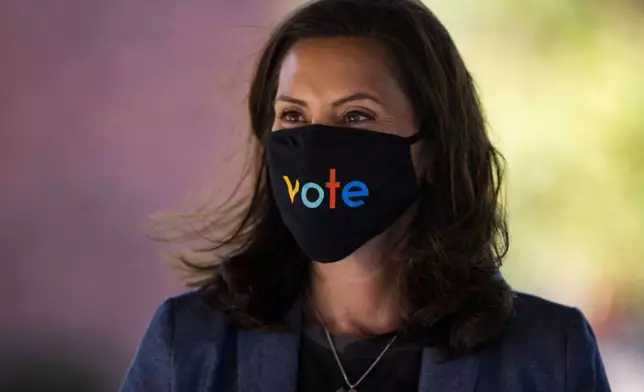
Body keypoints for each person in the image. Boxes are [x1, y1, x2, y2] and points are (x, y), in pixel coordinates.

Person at [120, 0, 611, 391]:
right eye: (292, 116)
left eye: (357, 116)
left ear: (434, 148)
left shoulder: (549, 355)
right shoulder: (188, 344)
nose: (316, 148)